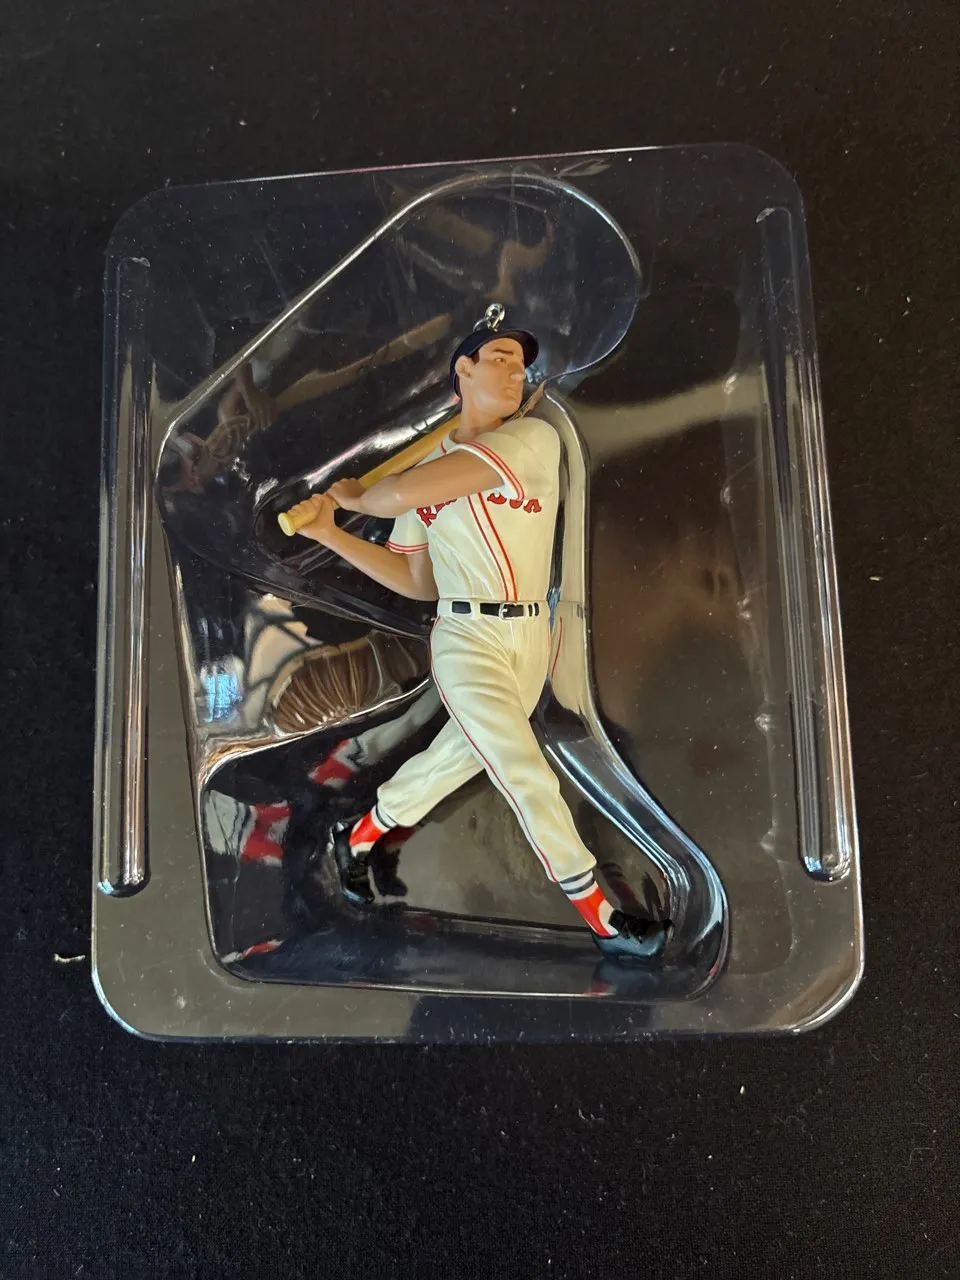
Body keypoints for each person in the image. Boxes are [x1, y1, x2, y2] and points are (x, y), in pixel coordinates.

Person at [285, 305, 670, 961]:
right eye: (499, 360)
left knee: (450, 763)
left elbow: (399, 495)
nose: (515, 376)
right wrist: (330, 533)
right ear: (462, 370)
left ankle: (358, 838)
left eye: (520, 366)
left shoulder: (530, 442)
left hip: (533, 637)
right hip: (467, 640)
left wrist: (358, 499)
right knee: (525, 772)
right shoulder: (426, 467)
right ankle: (605, 918)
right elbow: (415, 580)